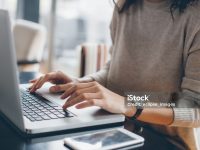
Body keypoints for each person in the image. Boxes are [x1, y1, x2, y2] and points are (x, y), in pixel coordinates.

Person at [29, 0, 200, 149]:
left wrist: (130, 104)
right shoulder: (125, 5)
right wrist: (82, 83)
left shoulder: (195, 17)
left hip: (163, 142)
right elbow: (113, 69)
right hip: (113, 129)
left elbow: (194, 109)